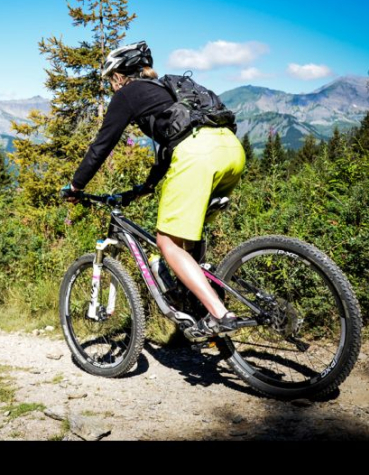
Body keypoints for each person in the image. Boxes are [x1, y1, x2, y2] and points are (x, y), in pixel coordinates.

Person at [61, 41, 246, 341]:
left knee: (166, 242)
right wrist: (146, 187)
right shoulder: (165, 91)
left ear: (119, 76)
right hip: (231, 149)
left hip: (198, 154)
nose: (111, 87)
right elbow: (171, 146)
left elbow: (101, 145)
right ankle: (197, 304)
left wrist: (75, 186)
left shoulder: (127, 94)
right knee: (188, 239)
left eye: (110, 80)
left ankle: (219, 314)